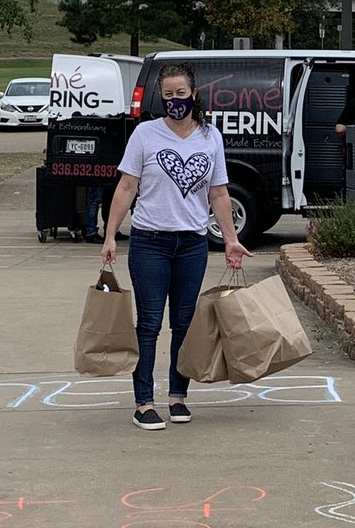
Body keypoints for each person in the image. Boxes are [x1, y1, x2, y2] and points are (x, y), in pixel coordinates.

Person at [101, 62, 252, 430]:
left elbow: (218, 193)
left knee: (184, 324)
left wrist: (231, 239)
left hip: (192, 244)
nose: (174, 101)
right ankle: (144, 402)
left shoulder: (209, 136)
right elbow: (126, 187)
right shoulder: (145, 134)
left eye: (180, 93)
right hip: (150, 241)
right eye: (167, 95)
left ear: (194, 94)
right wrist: (110, 235)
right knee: (150, 324)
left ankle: (178, 397)